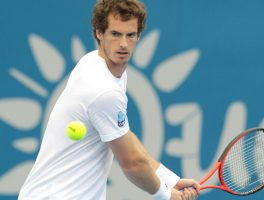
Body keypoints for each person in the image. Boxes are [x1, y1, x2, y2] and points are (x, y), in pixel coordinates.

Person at [18, 0, 201, 199]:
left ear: (138, 36)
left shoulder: (94, 63)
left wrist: (170, 178)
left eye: (130, 35)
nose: (123, 44)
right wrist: (167, 195)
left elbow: (125, 137)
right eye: (115, 34)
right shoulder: (104, 92)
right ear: (99, 33)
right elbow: (132, 163)